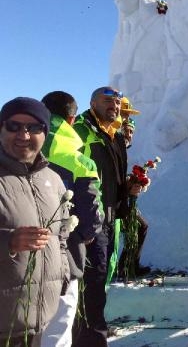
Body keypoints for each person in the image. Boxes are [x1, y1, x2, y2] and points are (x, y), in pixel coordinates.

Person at [72, 87, 141, 347]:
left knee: (100, 278)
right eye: (107, 101)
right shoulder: (81, 131)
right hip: (89, 218)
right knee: (91, 279)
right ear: (92, 103)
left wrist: (129, 187)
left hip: (111, 216)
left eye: (116, 102)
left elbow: (111, 178)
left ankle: (92, 328)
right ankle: (88, 337)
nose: (113, 106)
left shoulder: (115, 136)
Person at [0, 97, 69, 347]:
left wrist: (61, 274)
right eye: (13, 126)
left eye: (34, 128)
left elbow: (61, 236)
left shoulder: (53, 179)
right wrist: (8, 242)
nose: (24, 135)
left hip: (37, 318)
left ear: (45, 132)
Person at [40, 91, 104, 347]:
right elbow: (91, 221)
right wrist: (83, 236)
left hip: (15, 256)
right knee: (58, 327)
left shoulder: (15, 148)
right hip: (65, 256)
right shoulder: (81, 161)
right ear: (71, 119)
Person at [117, 97, 150, 278]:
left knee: (139, 227)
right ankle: (126, 267)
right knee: (138, 227)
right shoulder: (114, 145)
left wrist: (134, 179)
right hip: (114, 200)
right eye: (126, 130)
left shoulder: (121, 148)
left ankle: (128, 266)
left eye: (131, 131)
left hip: (122, 197)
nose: (129, 135)